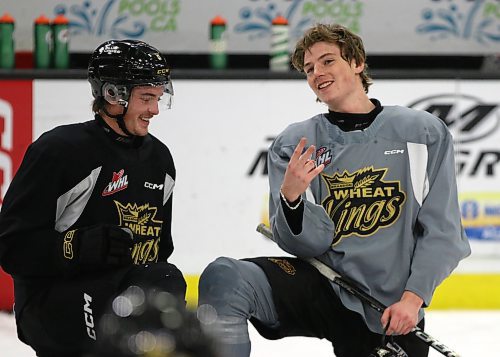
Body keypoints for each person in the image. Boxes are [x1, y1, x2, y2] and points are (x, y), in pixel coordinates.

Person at [198, 23, 471, 357]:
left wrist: (412, 300)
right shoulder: (296, 144)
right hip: (323, 284)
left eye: (327, 61)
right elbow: (309, 242)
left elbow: (443, 232)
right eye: (309, 69)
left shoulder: (422, 133)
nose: (317, 73)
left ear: (357, 63)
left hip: (390, 308)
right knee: (226, 279)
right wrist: (292, 199)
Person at [0, 39, 186, 357]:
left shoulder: (160, 159)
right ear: (113, 95)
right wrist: (77, 247)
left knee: (166, 280)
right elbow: (11, 247)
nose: (155, 110)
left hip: (124, 290)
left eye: (158, 97)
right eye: (146, 98)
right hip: (50, 302)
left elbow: (160, 250)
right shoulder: (60, 150)